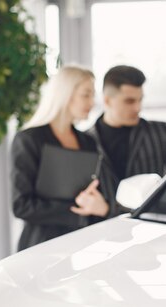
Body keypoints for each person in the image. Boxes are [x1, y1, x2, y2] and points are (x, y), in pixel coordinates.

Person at [11, 65, 118, 251]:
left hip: (82, 245)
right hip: (40, 247)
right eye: (86, 95)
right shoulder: (29, 140)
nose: (92, 103)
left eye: (92, 95)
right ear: (65, 95)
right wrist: (78, 213)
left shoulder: (88, 142)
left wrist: (101, 207)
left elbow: (95, 194)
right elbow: (22, 205)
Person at [86, 65, 166, 186]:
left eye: (140, 100)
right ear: (107, 101)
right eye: (129, 101)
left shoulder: (160, 133)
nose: (138, 108)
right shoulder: (84, 141)